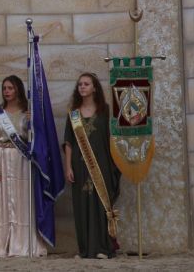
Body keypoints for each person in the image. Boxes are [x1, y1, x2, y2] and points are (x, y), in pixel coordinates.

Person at [0, 75, 46, 257]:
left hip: (22, 160)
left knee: (24, 201)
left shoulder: (27, 112)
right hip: (3, 158)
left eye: (10, 88)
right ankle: (7, 246)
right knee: (5, 203)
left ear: (18, 89)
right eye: (4, 88)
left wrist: (32, 122)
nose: (7, 91)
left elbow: (35, 140)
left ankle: (26, 245)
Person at [63, 72, 120, 259]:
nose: (82, 87)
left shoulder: (105, 111)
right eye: (80, 84)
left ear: (94, 87)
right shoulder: (73, 115)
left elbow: (113, 138)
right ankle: (85, 249)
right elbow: (69, 142)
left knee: (100, 205)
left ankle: (103, 248)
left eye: (86, 84)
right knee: (81, 206)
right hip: (79, 166)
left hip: (101, 165)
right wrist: (68, 167)